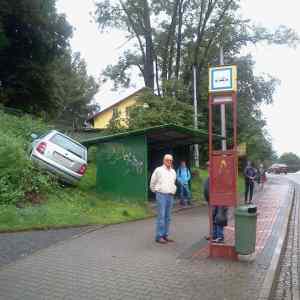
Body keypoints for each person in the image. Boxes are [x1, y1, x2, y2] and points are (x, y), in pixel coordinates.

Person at [150, 154, 177, 244]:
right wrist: (156, 191)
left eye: (170, 160)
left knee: (168, 217)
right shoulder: (159, 170)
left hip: (170, 195)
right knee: (161, 216)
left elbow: (173, 182)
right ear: (164, 160)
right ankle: (159, 236)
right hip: (161, 195)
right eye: (167, 160)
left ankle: (165, 235)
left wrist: (173, 190)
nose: (169, 162)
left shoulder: (173, 171)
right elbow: (152, 182)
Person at [203, 161, 227, 243]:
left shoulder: (219, 176)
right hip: (211, 201)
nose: (208, 168)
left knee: (219, 218)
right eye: (207, 167)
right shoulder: (209, 177)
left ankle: (220, 236)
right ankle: (214, 235)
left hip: (219, 200)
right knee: (213, 218)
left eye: (210, 166)